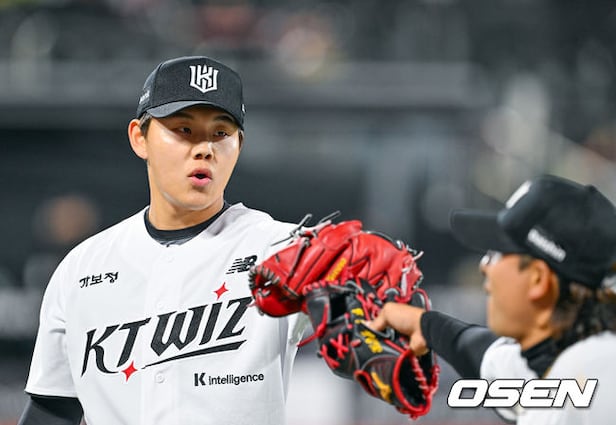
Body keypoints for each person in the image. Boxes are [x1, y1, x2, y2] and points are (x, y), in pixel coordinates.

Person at [18, 56, 309, 425]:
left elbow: (358, 322)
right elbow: (52, 409)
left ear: (239, 144)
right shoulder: (81, 269)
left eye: (221, 133)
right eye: (183, 129)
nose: (204, 148)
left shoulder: (284, 249)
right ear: (140, 138)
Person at [368, 175, 616, 424]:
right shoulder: (561, 366)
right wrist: (425, 325)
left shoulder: (594, 378)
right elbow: (484, 355)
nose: (485, 265)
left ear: (538, 280)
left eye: (499, 251)